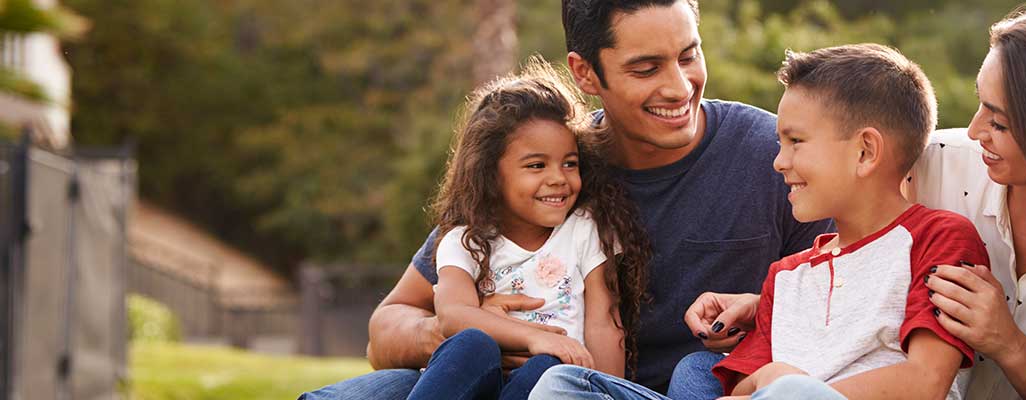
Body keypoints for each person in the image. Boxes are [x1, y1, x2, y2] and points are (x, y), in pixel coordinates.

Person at [682, 5, 1026, 400]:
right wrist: (775, 306)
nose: (976, 129)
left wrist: (1008, 343)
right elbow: (867, 256)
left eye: (999, 120)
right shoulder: (937, 161)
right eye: (980, 107)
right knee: (693, 376)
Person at [300, 1, 832, 398]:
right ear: (585, 73)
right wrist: (474, 326)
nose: (678, 86)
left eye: (689, 56)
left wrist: (760, 316)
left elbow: (846, 300)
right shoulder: (548, 166)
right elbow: (385, 329)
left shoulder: (772, 154)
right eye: (645, 68)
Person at [530, 43, 988, 400]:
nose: (778, 162)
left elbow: (926, 382)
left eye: (795, 142)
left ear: (865, 151)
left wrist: (784, 384)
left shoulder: (938, 237)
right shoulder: (786, 276)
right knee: (565, 385)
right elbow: (741, 386)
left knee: (790, 389)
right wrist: (765, 383)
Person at [399, 57, 651, 400]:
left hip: (550, 385)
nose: (558, 179)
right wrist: (533, 336)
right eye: (536, 165)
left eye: (569, 163)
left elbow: (604, 322)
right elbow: (453, 314)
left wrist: (603, 391)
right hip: (478, 382)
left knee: (548, 365)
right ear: (490, 174)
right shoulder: (465, 240)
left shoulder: (585, 229)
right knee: (472, 343)